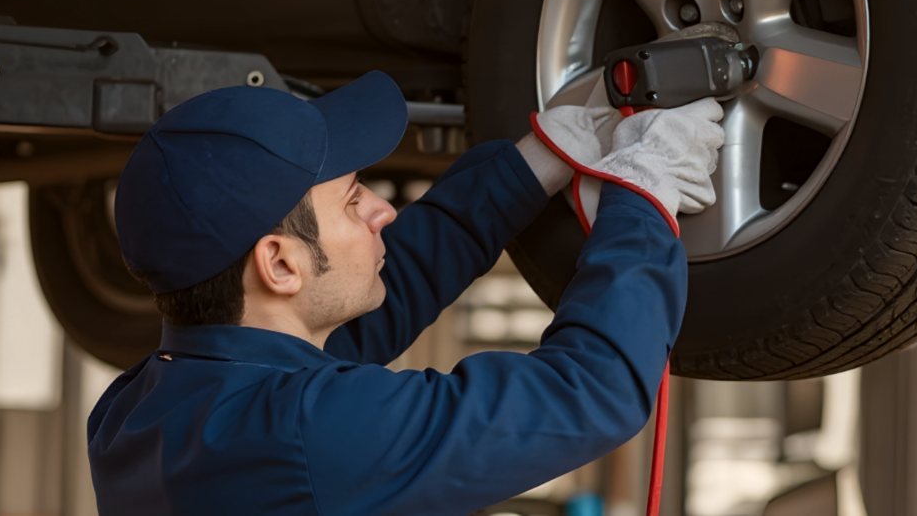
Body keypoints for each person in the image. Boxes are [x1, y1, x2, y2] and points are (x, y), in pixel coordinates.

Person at [85, 70, 724, 515]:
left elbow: (378, 303)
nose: (383, 210)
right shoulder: (306, 434)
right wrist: (644, 193)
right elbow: (591, 394)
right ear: (279, 265)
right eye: (352, 197)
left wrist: (531, 167)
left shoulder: (140, 411)